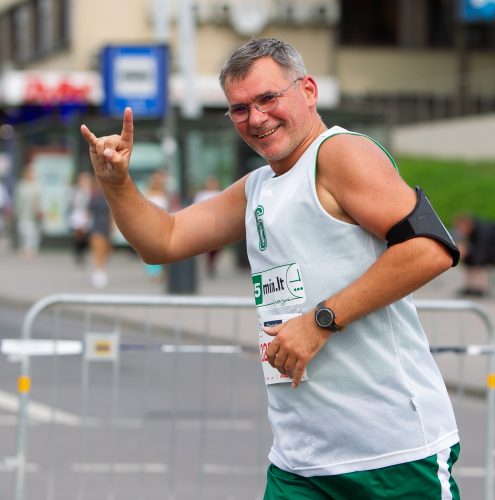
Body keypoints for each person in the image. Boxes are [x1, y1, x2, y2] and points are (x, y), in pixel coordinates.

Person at [81, 38, 461, 499]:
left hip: (392, 456)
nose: (256, 118)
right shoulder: (258, 186)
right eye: (239, 109)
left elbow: (430, 248)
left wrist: (322, 320)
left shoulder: (338, 154)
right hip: (299, 462)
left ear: (308, 91)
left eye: (267, 99)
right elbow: (164, 240)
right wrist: (116, 182)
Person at [454, 214, 495, 297]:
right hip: (488, 251)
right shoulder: (472, 231)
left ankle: (479, 287)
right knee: (469, 259)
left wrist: (467, 253)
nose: (461, 231)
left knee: (475, 261)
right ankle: (471, 286)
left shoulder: (483, 232)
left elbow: (481, 254)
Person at [193, 175, 222, 276]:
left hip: (217, 223)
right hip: (205, 223)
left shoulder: (220, 193)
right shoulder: (202, 194)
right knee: (209, 245)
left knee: (217, 246)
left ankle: (211, 263)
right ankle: (209, 263)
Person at [143, 170, 169, 282]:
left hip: (162, 224)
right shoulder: (147, 194)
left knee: (160, 249)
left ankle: (158, 272)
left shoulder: (164, 194)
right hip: (149, 224)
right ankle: (154, 273)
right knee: (150, 248)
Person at [14, 162, 43, 258]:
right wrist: (16, 211)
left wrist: (39, 210)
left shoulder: (36, 186)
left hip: (33, 214)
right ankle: (25, 248)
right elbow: (17, 200)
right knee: (24, 230)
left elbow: (39, 200)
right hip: (23, 213)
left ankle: (31, 249)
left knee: (32, 232)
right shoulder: (21, 185)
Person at [88, 179, 112, 288]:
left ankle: (101, 270)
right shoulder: (93, 196)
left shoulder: (109, 196)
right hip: (96, 225)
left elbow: (112, 213)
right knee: (97, 249)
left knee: (105, 250)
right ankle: (98, 271)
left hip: (105, 226)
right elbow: (89, 211)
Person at [69, 171, 92, 265]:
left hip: (87, 214)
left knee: (84, 234)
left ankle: (83, 252)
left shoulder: (90, 191)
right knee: (78, 233)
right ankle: (78, 253)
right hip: (78, 213)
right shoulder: (76, 191)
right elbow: (73, 203)